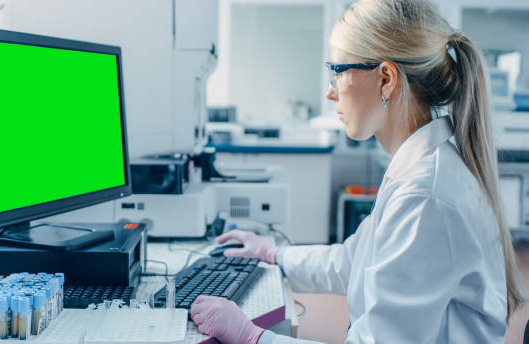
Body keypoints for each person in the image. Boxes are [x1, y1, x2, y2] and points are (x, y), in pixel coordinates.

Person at [189, 0, 525, 342]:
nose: (330, 91)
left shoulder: (426, 197)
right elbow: (355, 261)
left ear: (385, 79)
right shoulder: (419, 167)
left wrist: (250, 336)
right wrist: (274, 254)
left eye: (338, 71)